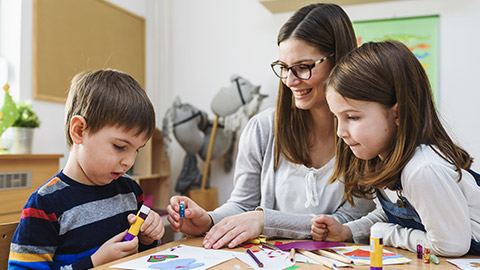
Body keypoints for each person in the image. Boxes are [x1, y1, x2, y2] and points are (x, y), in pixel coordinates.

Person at [167, 3, 375, 249]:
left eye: (303, 67)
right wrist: (209, 220)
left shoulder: (365, 132)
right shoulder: (263, 128)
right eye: (284, 68)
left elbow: (347, 221)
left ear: (338, 61)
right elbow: (244, 206)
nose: (290, 81)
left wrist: (265, 220)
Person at [312, 40, 480, 256]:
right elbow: (393, 214)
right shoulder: (386, 160)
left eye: (352, 117)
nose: (340, 132)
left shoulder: (423, 170)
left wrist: (385, 233)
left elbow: (450, 245)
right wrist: (347, 231)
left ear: (397, 114)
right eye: (337, 118)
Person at [8, 69, 165, 269]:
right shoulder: (46, 205)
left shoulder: (131, 192)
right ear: (79, 131)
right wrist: (94, 263)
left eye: (137, 150)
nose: (129, 162)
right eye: (120, 146)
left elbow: (145, 259)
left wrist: (148, 239)